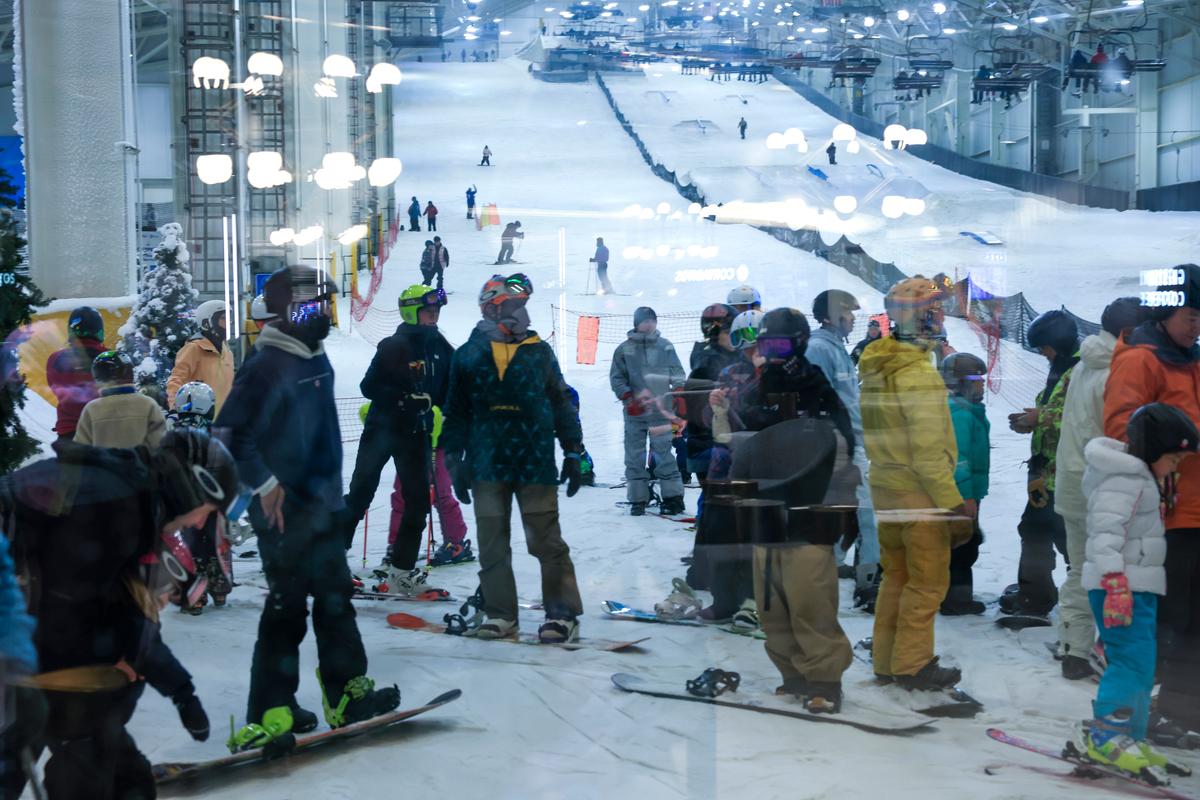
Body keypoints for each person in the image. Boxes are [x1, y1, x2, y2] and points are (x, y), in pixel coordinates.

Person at [216, 265, 400, 747]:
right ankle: (269, 708)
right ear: (288, 310)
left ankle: (345, 695)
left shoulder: (313, 355)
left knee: (337, 599)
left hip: (321, 504)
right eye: (314, 306)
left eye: (326, 305)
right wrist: (265, 483)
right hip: (283, 510)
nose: (324, 314)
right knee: (288, 606)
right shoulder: (267, 364)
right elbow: (231, 434)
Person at [0, 429, 232, 799]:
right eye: (205, 513)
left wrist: (180, 692)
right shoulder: (118, 505)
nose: (197, 525)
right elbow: (65, 604)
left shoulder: (131, 498)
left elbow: (115, 609)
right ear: (191, 487)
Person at [441, 274, 587, 642]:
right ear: (491, 308)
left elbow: (560, 403)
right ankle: (500, 613)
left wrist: (573, 449)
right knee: (492, 542)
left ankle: (562, 612)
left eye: (522, 307)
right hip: (487, 464)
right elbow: (455, 411)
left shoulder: (539, 352)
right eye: (511, 306)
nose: (519, 314)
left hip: (534, 462)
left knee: (545, 541)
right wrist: (453, 459)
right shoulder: (468, 355)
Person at [1074, 403, 1198, 781]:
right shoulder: (1123, 480)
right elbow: (1105, 536)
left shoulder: (1141, 478)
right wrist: (1115, 584)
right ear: (1153, 450)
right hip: (1119, 588)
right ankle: (1106, 736)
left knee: (1142, 664)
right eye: (1174, 457)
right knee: (1129, 662)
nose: (1176, 465)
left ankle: (1131, 736)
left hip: (1137, 587)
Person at [1103, 264, 1200, 745]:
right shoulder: (1142, 359)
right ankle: (1157, 710)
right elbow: (1124, 427)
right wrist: (1175, 446)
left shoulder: (1190, 357)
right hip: (1168, 511)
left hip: (1196, 509)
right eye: (1191, 313)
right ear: (1165, 311)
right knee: (1172, 621)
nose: (1197, 323)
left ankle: (1184, 710)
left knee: (1195, 620)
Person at [860, 277, 968, 691]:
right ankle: (912, 664)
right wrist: (952, 504)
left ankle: (888, 660)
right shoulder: (915, 374)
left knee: (898, 576)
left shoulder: (880, 364)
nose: (939, 317)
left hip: (887, 485)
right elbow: (927, 450)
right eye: (934, 310)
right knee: (925, 582)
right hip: (918, 491)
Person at [748, 307, 856, 713]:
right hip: (769, 505)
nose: (772, 355)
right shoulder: (762, 385)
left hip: (808, 506)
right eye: (765, 346)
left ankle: (824, 679)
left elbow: (840, 439)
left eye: (778, 345)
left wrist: (838, 496)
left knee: (810, 595)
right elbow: (750, 434)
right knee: (772, 600)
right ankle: (792, 673)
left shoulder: (812, 383)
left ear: (798, 344)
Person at [1055, 297, 1145, 679]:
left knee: (1081, 569)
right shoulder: (1118, 372)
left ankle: (1074, 648)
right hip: (1102, 488)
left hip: (1073, 483)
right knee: (1114, 571)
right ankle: (1111, 652)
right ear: (1127, 333)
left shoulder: (1083, 364)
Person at [342, 284, 453, 594]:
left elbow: (450, 390)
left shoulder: (440, 347)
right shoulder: (394, 345)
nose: (434, 316)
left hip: (415, 434)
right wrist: (404, 399)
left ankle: (401, 571)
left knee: (418, 503)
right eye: (428, 311)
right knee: (360, 494)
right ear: (411, 312)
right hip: (382, 430)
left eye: (437, 311)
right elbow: (369, 386)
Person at [1002, 310, 1079, 619]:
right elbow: (1057, 409)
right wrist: (1030, 421)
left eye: (1044, 347)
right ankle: (1036, 593)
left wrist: (1041, 418)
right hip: (1044, 471)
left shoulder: (1080, 370)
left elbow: (1084, 417)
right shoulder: (1060, 369)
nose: (1042, 354)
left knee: (1059, 534)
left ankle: (1076, 592)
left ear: (1057, 342)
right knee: (1036, 528)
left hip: (1065, 473)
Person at [806, 290, 879, 612]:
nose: (853, 319)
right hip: (837, 446)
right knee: (866, 514)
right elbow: (814, 402)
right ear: (831, 317)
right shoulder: (819, 349)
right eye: (848, 313)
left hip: (849, 443)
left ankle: (831, 568)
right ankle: (870, 581)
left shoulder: (836, 348)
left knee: (846, 512)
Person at [611, 307, 687, 516]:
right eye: (644, 321)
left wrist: (679, 391)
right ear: (637, 323)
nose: (649, 324)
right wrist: (627, 397)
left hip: (660, 413)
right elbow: (617, 378)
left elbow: (677, 372)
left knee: (663, 456)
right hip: (635, 414)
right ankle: (638, 499)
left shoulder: (665, 346)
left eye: (652, 320)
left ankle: (673, 498)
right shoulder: (624, 350)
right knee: (634, 457)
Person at [387, 402, 473, 568]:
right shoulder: (408, 376)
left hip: (440, 441)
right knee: (402, 495)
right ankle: (397, 544)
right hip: (410, 440)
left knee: (441, 493)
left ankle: (456, 543)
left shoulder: (446, 375)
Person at [940, 352, 990, 616]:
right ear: (960, 383)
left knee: (968, 541)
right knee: (962, 546)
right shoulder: (959, 414)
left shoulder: (970, 409)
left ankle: (956, 594)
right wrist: (966, 496)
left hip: (969, 492)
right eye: (975, 379)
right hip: (960, 494)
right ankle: (955, 599)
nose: (981, 383)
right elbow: (959, 458)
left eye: (982, 378)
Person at [74, 350, 167, 449]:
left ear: (97, 376)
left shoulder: (91, 409)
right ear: (129, 372)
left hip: (104, 464)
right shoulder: (148, 404)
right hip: (140, 464)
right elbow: (159, 447)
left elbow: (80, 451)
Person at [46, 306, 107, 441]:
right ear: (99, 330)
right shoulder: (110, 359)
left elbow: (55, 388)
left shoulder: (55, 359)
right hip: (103, 434)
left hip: (68, 435)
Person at [167, 299, 235, 415]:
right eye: (223, 318)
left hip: (224, 421)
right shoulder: (194, 348)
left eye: (229, 319)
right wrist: (174, 408)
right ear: (207, 322)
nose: (228, 323)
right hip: (200, 420)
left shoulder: (227, 351)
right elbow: (176, 380)